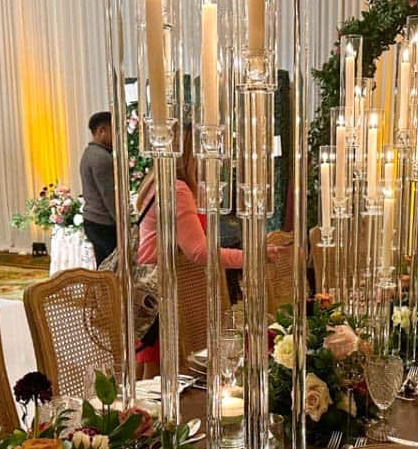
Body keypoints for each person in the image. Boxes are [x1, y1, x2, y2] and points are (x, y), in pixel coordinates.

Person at [135, 125, 288, 377]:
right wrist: (252, 257)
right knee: (162, 379)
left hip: (156, 292)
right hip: (163, 296)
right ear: (189, 153)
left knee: (153, 377)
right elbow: (199, 252)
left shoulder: (163, 183)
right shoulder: (176, 189)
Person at [80, 111, 117, 265]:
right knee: (112, 267)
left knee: (103, 267)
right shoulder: (101, 158)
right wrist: (122, 223)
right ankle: (108, 289)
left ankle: (102, 289)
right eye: (114, 130)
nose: (118, 136)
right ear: (101, 130)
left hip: (93, 221)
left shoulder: (89, 152)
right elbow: (109, 196)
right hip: (103, 223)